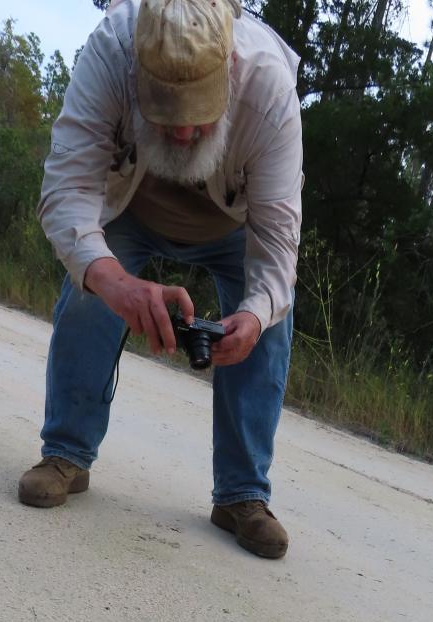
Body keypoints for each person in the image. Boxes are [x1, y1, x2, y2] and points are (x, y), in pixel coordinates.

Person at [18, 0, 303, 559]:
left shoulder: (269, 86)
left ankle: (241, 495)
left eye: (201, 115)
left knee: (267, 322)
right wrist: (113, 282)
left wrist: (252, 314)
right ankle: (67, 455)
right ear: (137, 76)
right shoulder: (110, 52)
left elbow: (277, 246)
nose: (184, 133)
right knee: (89, 291)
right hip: (133, 204)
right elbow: (66, 192)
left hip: (232, 223)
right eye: (165, 116)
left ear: (228, 77)